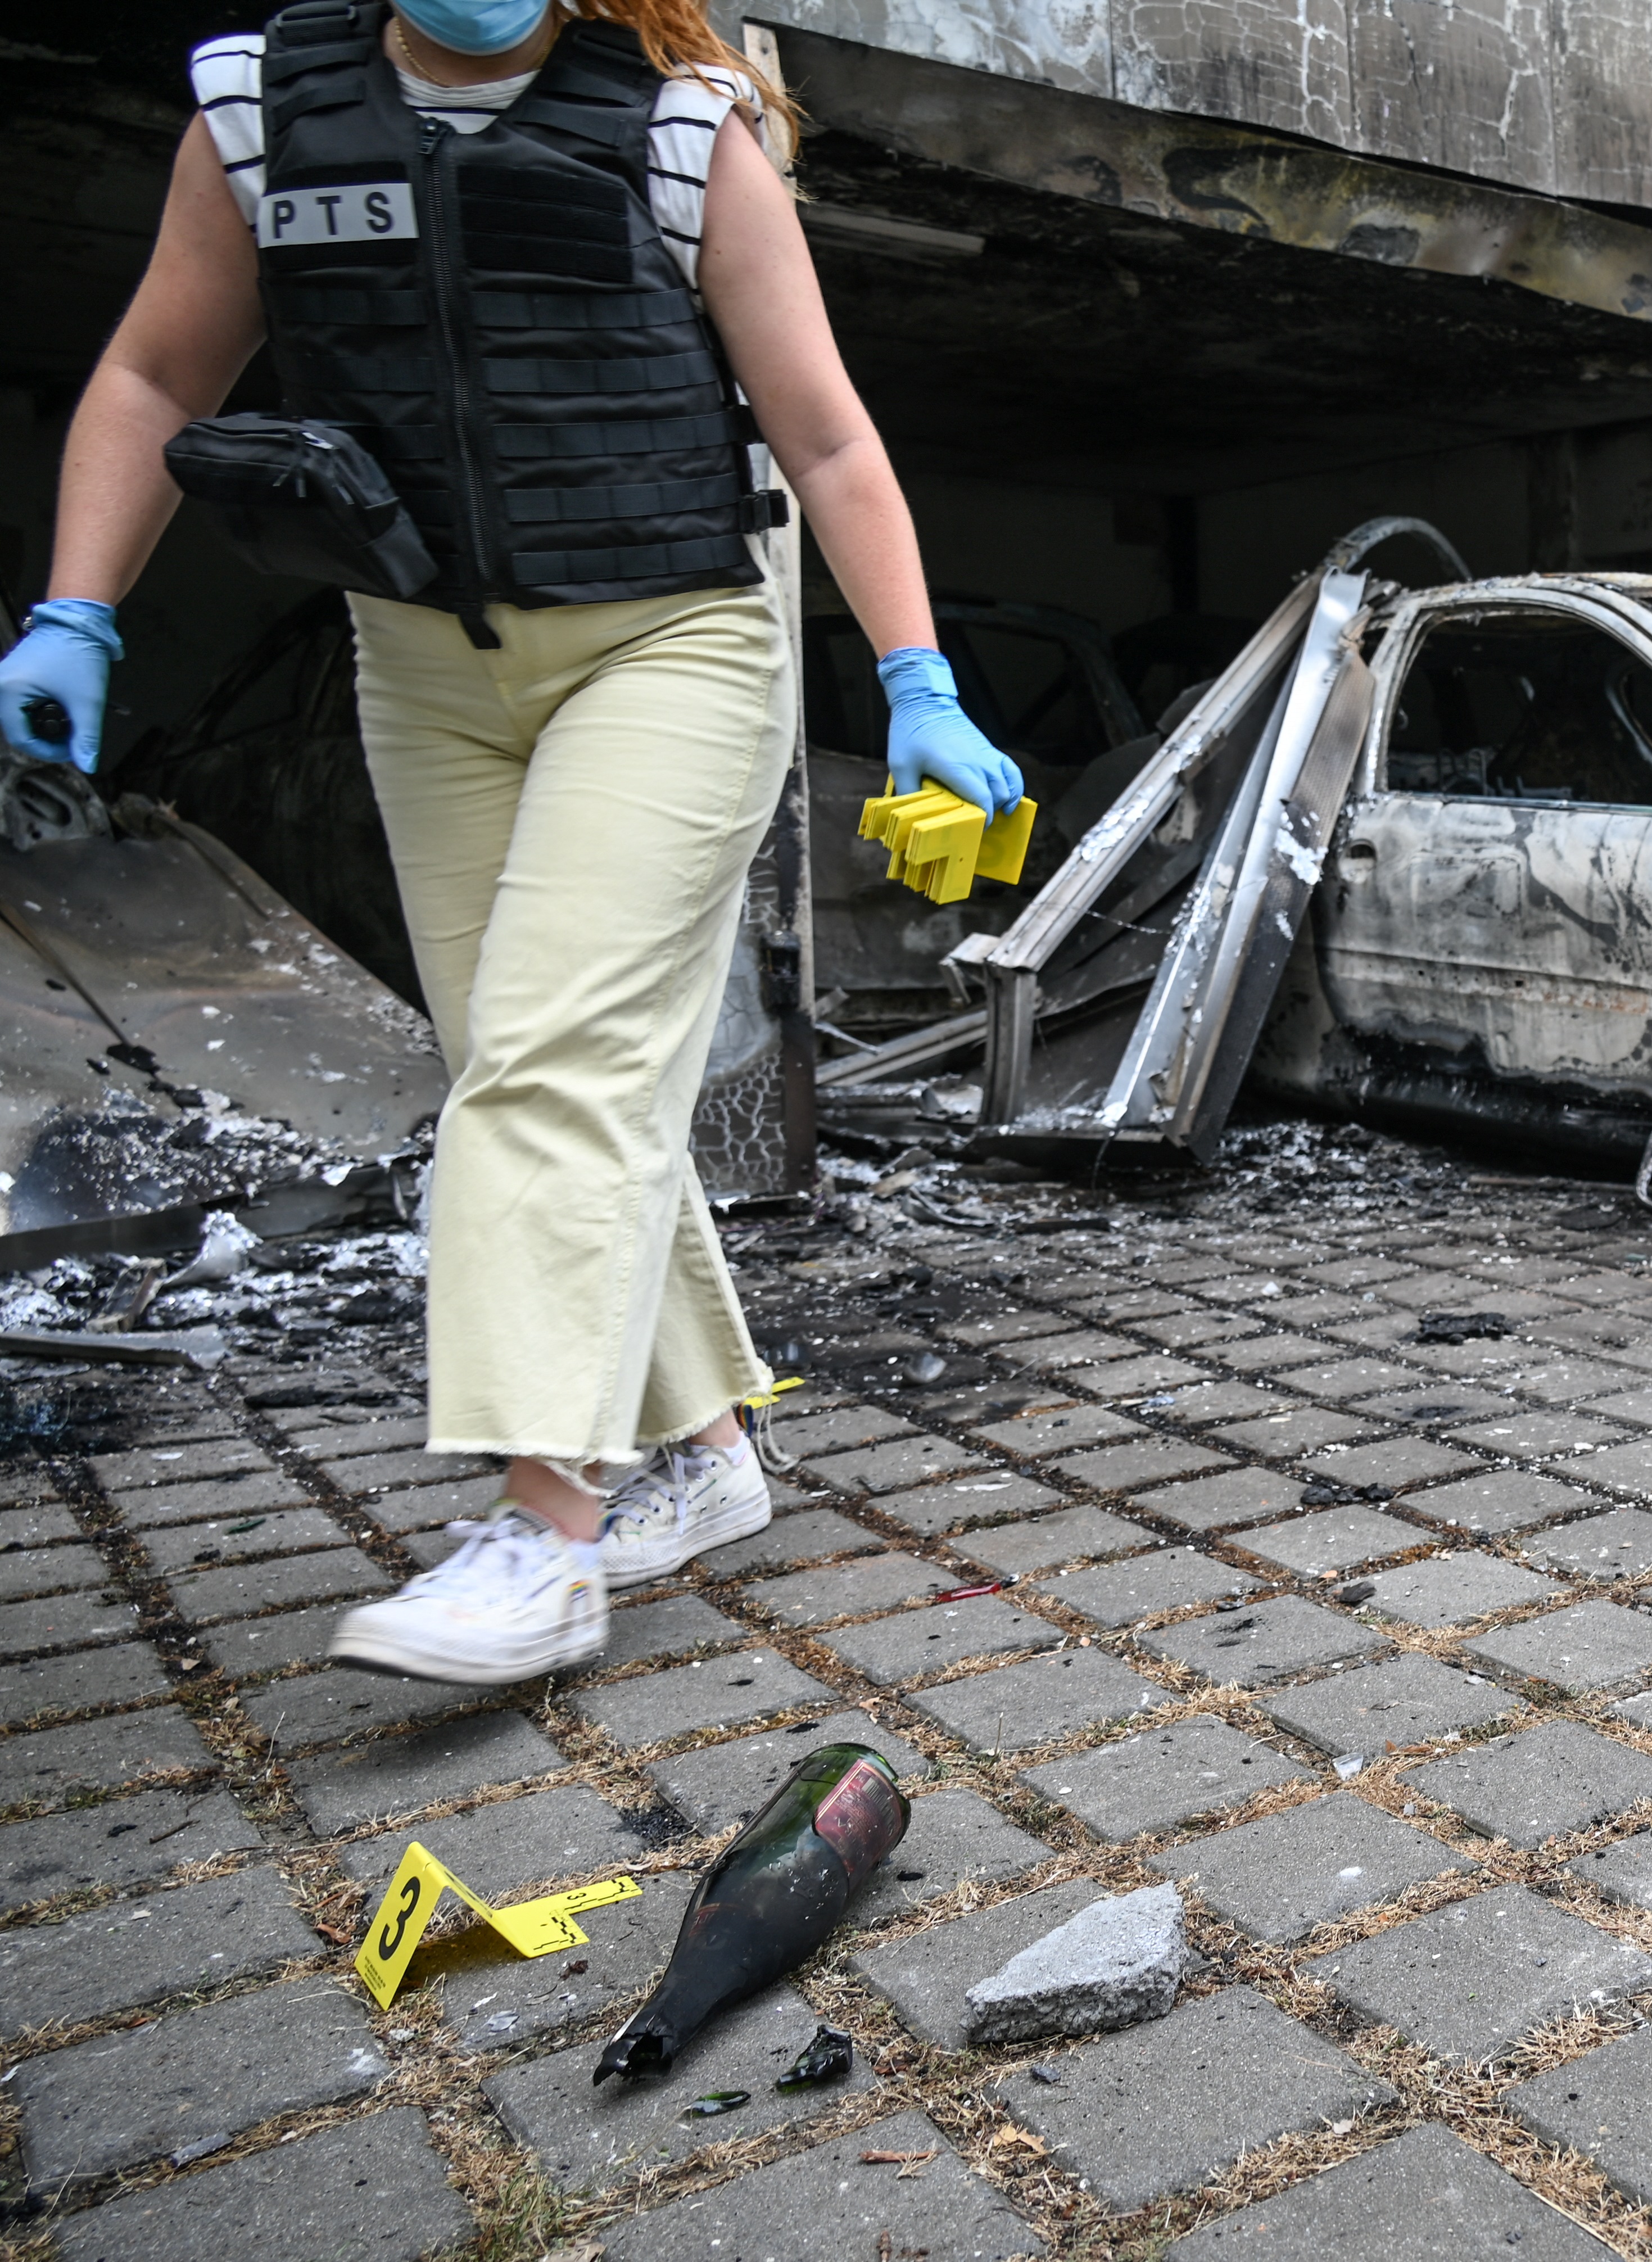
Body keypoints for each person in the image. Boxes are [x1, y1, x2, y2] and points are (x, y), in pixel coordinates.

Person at [0, 0, 1025, 1684]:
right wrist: (78, 611)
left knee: (551, 1061)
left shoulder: (687, 133)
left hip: (672, 643)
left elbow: (828, 433)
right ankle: (701, 1455)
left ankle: (547, 1532)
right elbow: (155, 370)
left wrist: (916, 680)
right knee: (522, 1065)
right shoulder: (262, 114)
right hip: (418, 661)